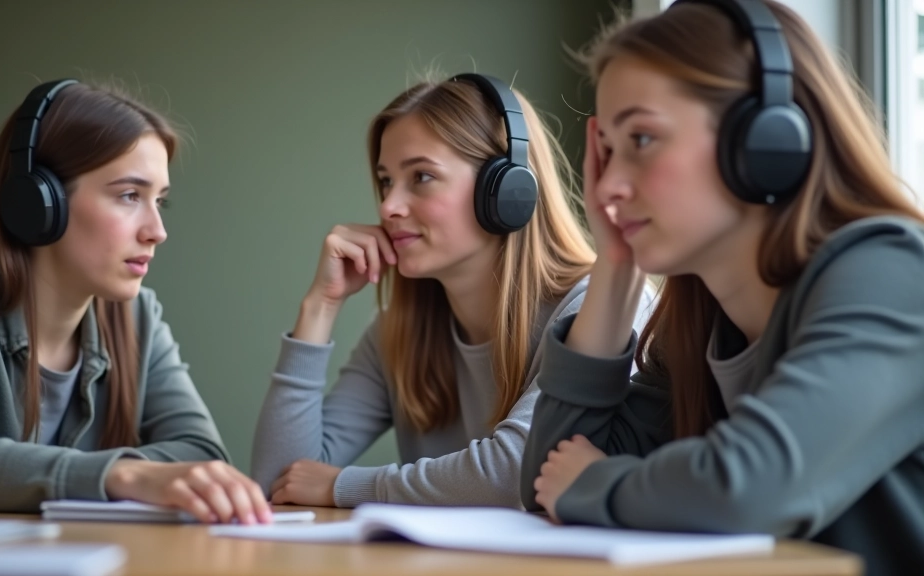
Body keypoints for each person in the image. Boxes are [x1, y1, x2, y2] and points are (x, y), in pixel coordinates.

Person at [520, 1, 924, 573]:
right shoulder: (703, 323)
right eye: (606, 152)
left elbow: (748, 489)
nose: (607, 185)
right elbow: (546, 478)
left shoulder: (890, 273)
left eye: (641, 139)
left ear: (763, 141)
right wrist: (614, 263)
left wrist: (595, 482)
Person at [252, 73, 655, 508]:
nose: (388, 206)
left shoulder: (600, 306)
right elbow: (279, 482)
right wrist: (320, 307)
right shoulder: (399, 331)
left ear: (505, 190)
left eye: (421, 176)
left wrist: (343, 486)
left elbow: (516, 472)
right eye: (386, 181)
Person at [0, 79, 271, 525]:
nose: (157, 230)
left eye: (160, 202)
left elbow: (200, 450)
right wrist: (126, 475)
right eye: (130, 195)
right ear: (40, 202)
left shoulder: (137, 318)